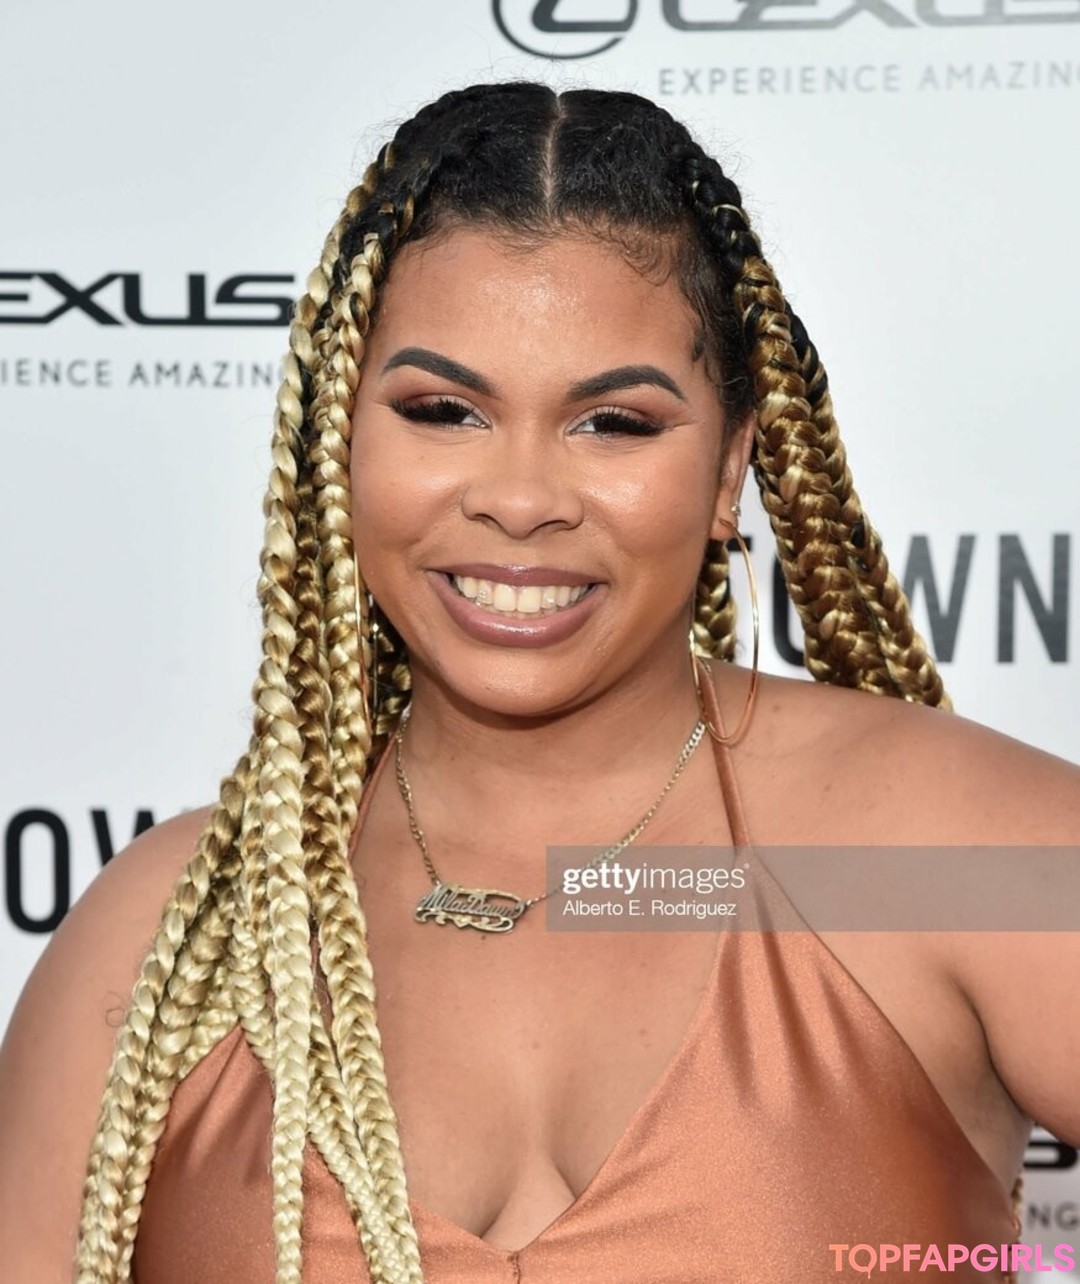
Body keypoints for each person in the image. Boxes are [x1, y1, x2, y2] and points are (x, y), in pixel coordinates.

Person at [1, 82, 1077, 1284]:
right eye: (443, 411)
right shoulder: (169, 940)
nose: (519, 500)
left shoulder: (930, 853)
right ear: (338, 441)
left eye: (613, 423)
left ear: (730, 470)